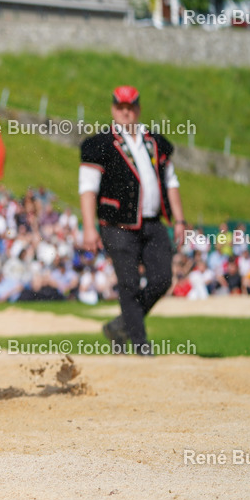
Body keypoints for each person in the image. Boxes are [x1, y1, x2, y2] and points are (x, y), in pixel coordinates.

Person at [79, 86, 187, 355]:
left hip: (152, 223)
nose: (126, 112)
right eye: (120, 107)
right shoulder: (100, 145)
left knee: (162, 279)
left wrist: (180, 220)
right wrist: (89, 227)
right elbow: (87, 189)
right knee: (128, 284)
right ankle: (140, 344)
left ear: (138, 108)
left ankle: (119, 326)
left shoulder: (156, 143)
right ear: (113, 109)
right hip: (116, 226)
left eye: (131, 107)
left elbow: (171, 183)